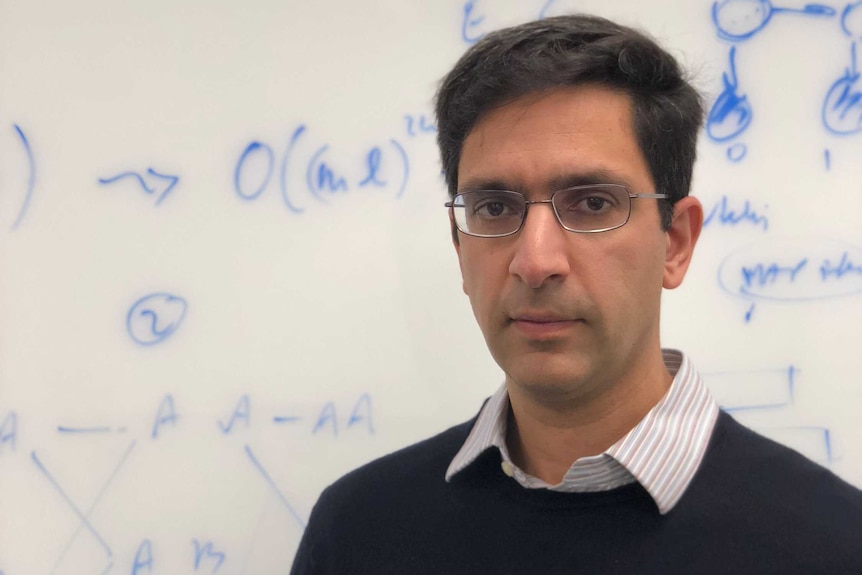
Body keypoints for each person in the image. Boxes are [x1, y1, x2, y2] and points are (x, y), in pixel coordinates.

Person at [291, 14, 862, 574]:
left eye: (592, 204)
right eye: (494, 208)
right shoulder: (357, 531)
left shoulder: (833, 544)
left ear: (675, 243)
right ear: (460, 249)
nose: (536, 262)